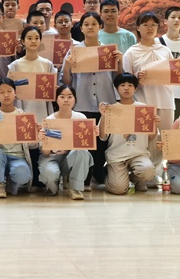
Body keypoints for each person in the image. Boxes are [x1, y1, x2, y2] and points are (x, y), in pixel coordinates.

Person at [61, 11, 122, 189]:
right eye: (86, 24)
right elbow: (67, 82)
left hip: (105, 103)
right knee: (84, 141)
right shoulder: (74, 52)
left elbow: (118, 79)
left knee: (102, 142)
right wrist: (67, 67)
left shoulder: (109, 51)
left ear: (100, 27)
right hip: (82, 103)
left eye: (94, 24)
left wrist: (119, 62)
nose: (90, 27)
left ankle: (99, 173)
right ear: (81, 28)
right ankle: (83, 176)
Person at [123, 11, 180, 185]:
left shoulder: (165, 50)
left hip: (165, 100)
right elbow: (126, 81)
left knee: (161, 139)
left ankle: (156, 172)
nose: (150, 28)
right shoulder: (131, 52)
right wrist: (137, 79)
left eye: (153, 25)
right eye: (145, 25)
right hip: (143, 101)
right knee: (144, 139)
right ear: (138, 28)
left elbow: (173, 76)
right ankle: (142, 174)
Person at [8, 25, 57, 189]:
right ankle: (27, 179)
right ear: (22, 41)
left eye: (36, 38)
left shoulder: (47, 64)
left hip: (42, 107)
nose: (33, 41)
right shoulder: (15, 65)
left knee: (41, 139)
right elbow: (9, 89)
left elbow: (53, 89)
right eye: (29, 38)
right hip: (23, 107)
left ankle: (40, 179)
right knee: (26, 142)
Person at [98, 73, 158, 195]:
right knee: (118, 189)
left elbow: (151, 137)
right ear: (116, 88)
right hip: (117, 156)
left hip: (138, 154)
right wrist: (104, 117)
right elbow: (102, 137)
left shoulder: (144, 109)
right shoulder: (111, 109)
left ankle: (136, 179)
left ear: (135, 89)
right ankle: (112, 176)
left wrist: (154, 124)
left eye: (130, 85)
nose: (126, 88)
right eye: (122, 85)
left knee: (148, 172)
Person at [0, 78, 34, 198]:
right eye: (2, 92)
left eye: (9, 91)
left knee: (23, 174)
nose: (6, 95)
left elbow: (32, 145)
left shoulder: (22, 115)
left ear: (15, 93)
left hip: (18, 156)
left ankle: (12, 184)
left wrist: (35, 134)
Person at [39, 85, 95, 199]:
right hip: (53, 158)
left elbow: (84, 145)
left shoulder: (81, 118)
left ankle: (75, 188)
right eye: (62, 96)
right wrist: (43, 140)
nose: (66, 100)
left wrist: (92, 135)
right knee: (51, 177)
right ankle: (54, 185)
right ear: (56, 99)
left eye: (70, 97)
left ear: (75, 99)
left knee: (82, 152)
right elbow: (45, 153)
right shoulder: (49, 120)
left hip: (71, 157)